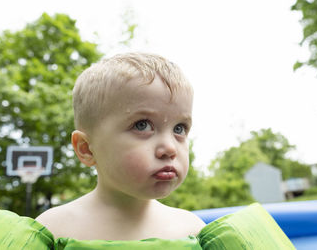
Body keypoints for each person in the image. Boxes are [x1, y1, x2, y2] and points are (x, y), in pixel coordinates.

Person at [36, 52, 206, 241]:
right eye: (142, 125)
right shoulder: (53, 230)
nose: (170, 148)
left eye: (179, 128)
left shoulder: (192, 230)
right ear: (86, 148)